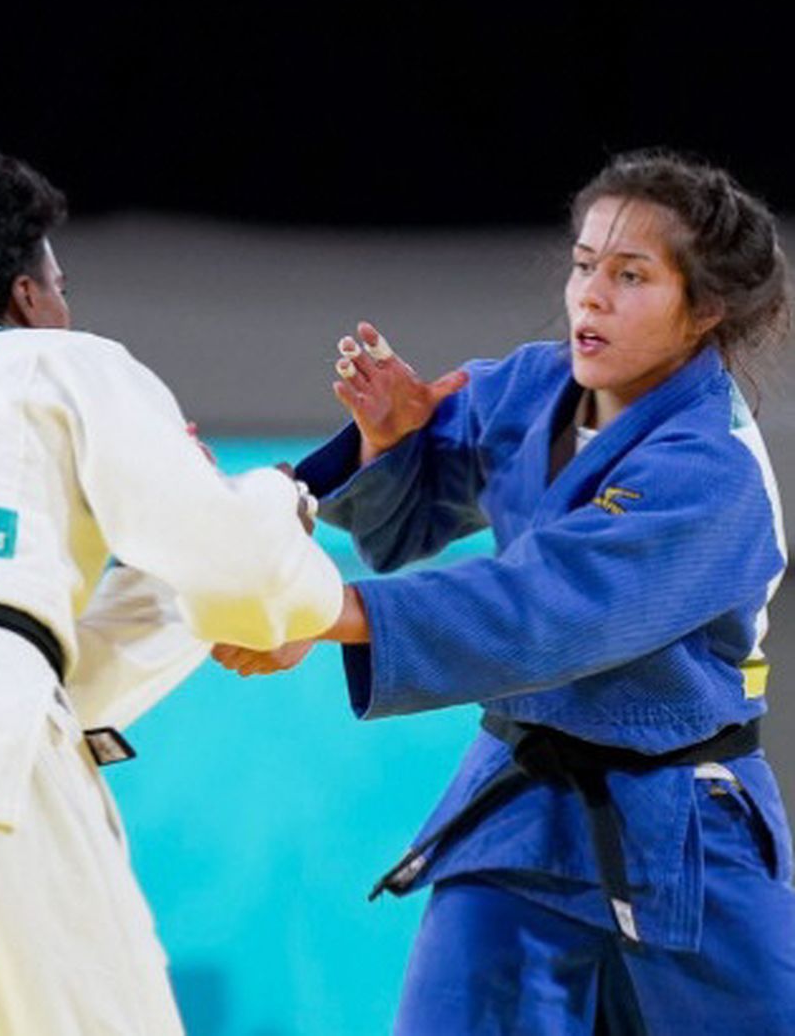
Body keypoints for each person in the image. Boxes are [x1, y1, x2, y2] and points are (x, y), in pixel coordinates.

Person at [214, 150, 795, 1033]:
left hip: (682, 834)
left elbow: (544, 608)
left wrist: (322, 611)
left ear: (705, 308)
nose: (590, 296)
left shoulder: (713, 470)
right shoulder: (534, 385)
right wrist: (383, 446)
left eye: (630, 275)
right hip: (520, 817)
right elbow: (410, 510)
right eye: (584, 264)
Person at [0, 149, 343, 1035]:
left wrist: (229, 588)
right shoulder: (61, 363)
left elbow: (19, 651)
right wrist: (282, 523)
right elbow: (230, 559)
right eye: (60, 283)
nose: (65, 303)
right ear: (26, 296)